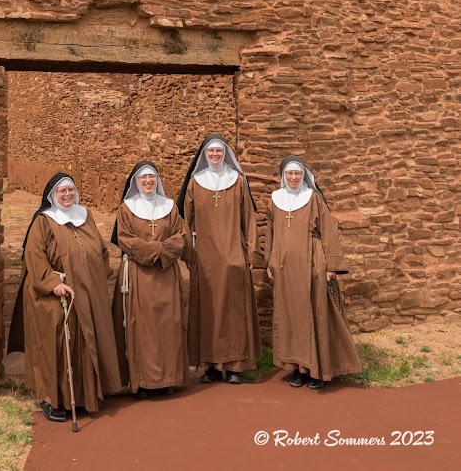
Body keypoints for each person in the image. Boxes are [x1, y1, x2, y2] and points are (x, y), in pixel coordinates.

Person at [8, 172, 121, 421]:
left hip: (86, 290)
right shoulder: (44, 222)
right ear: (52, 195)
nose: (67, 195)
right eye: (62, 191)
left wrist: (97, 276)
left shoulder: (85, 216)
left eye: (71, 190)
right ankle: (53, 399)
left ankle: (86, 395)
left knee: (87, 338)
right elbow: (35, 257)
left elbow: (100, 250)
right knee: (58, 342)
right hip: (55, 294)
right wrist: (53, 283)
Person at [264, 156, 362, 389]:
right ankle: (298, 368)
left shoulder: (313, 198)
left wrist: (331, 265)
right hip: (285, 268)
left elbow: (328, 231)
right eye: (289, 174)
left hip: (312, 264)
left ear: (304, 176)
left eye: (297, 174)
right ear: (283, 176)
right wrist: (269, 262)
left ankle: (318, 369)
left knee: (316, 314)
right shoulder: (275, 200)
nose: (293, 177)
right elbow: (270, 234)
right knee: (291, 316)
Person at [177, 134, 261, 384]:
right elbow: (185, 220)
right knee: (208, 310)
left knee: (234, 311)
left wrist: (251, 252)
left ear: (225, 154)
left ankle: (235, 365)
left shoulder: (238, 181)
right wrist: (188, 253)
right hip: (205, 257)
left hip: (234, 253)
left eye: (219, 151)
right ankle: (211, 365)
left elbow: (249, 219)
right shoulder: (195, 183)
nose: (215, 155)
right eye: (211, 151)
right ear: (205, 155)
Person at [111, 161, 188, 398]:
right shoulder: (127, 208)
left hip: (166, 275)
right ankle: (142, 381)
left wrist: (159, 253)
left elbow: (180, 237)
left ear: (158, 180)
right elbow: (125, 239)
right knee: (142, 326)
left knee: (168, 324)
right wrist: (156, 251)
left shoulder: (170, 207)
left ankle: (168, 379)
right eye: (143, 178)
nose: (148, 181)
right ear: (136, 181)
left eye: (152, 177)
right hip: (139, 274)